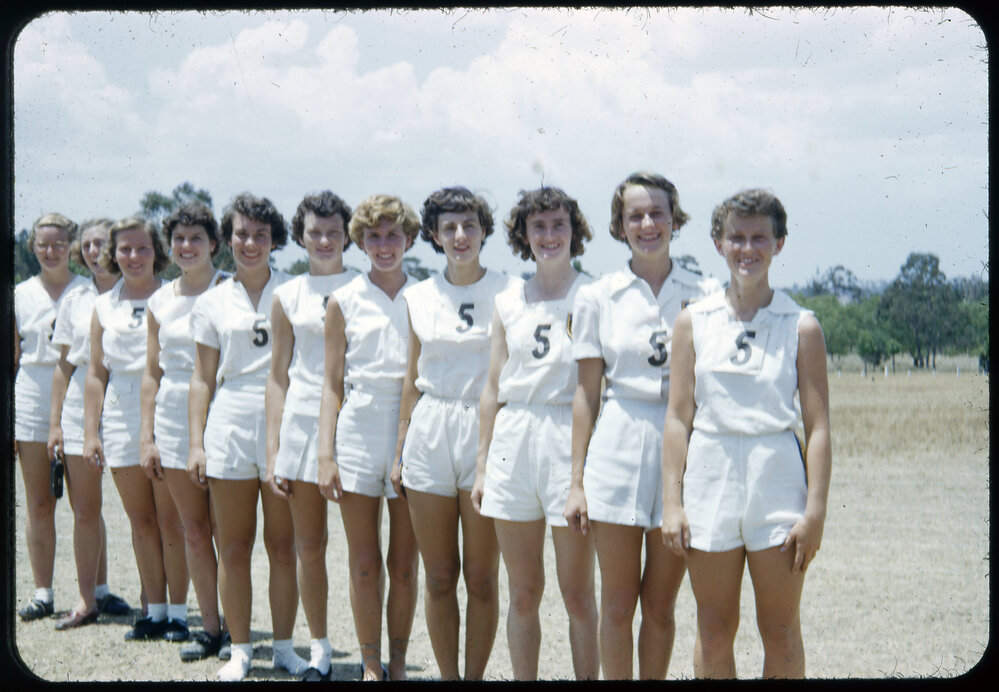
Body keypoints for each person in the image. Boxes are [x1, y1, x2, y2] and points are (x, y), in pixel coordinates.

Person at [661, 189, 831, 679]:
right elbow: (677, 419)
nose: (747, 248)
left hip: (776, 475)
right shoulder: (693, 321)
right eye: (736, 237)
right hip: (710, 472)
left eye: (760, 237)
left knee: (779, 630)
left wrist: (815, 511)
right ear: (718, 243)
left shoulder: (801, 326)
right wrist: (672, 503)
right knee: (713, 629)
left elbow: (818, 427)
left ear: (779, 243)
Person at [563, 172, 720, 679]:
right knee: (617, 601)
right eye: (636, 215)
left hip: (685, 445)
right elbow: (586, 393)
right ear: (620, 224)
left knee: (660, 605)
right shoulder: (597, 295)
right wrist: (577, 481)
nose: (647, 224)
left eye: (657, 213)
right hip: (620, 438)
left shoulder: (707, 291)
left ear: (675, 219)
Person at [471, 186, 600, 680]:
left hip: (568, 430)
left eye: (558, 225)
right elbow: (491, 388)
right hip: (514, 438)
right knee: (523, 592)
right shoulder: (507, 300)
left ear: (575, 230)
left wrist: (580, 475)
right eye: (538, 226)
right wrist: (483, 466)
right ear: (524, 235)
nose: (549, 236)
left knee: (577, 594)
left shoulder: (592, 295)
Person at [392, 186, 515, 681]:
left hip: (488, 430)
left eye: (469, 225)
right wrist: (400, 451)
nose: (460, 236)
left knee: (482, 577)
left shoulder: (511, 290)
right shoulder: (417, 296)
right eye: (449, 228)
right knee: (440, 576)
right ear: (434, 236)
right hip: (431, 428)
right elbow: (409, 380)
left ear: (484, 230)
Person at [187, 192, 307, 682]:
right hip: (231, 419)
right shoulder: (212, 300)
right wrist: (196, 442)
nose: (251, 243)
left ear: (275, 239)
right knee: (234, 547)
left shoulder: (295, 292)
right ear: (228, 238)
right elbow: (200, 378)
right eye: (241, 233)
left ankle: (283, 646)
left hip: (284, 418)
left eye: (261, 235)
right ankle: (240, 649)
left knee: (283, 547)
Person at [316, 194, 421, 682]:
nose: (384, 246)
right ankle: (371, 663)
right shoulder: (344, 300)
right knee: (364, 562)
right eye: (374, 236)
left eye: (393, 235)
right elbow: (331, 384)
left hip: (411, 426)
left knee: (404, 563)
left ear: (409, 239)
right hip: (358, 426)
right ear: (360, 241)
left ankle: (398, 661)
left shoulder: (424, 298)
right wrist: (325, 455)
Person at [264, 191, 359, 681]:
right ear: (300, 236)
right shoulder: (287, 295)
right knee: (310, 544)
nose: (324, 240)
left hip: (359, 421)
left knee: (367, 549)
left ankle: (375, 648)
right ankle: (321, 646)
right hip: (303, 425)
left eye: (333, 232)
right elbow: (278, 375)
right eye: (314, 232)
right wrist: (274, 448)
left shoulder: (365, 287)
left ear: (348, 236)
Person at [82, 216, 190, 642]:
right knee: (140, 520)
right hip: (120, 411)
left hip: (167, 407)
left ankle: (180, 614)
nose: (133, 257)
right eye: (124, 249)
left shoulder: (172, 297)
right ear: (113, 253)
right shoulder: (103, 304)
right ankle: (155, 611)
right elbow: (94, 373)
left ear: (157, 252)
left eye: (142, 248)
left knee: (171, 519)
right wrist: (92, 432)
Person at [140, 202, 229, 657]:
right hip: (174, 414)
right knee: (193, 529)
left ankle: (238, 626)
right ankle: (209, 628)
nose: (187, 246)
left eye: (196, 238)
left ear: (214, 243)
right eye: (178, 238)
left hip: (227, 409)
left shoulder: (230, 290)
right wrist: (147, 436)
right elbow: (151, 373)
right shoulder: (159, 300)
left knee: (228, 532)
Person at [47, 218, 132, 629]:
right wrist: (55, 425)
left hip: (131, 396)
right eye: (87, 245)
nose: (93, 252)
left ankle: (156, 607)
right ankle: (86, 600)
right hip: (82, 397)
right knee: (85, 508)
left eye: (102, 244)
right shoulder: (74, 298)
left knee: (145, 513)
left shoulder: (136, 291)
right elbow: (63, 367)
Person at [15, 213, 93, 620]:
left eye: (59, 244)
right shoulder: (19, 294)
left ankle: (98, 590)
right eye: (43, 244)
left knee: (86, 505)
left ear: (71, 246)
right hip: (31, 392)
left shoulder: (88, 290)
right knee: (39, 501)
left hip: (78, 391)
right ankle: (43, 591)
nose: (51, 251)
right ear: (33, 247)